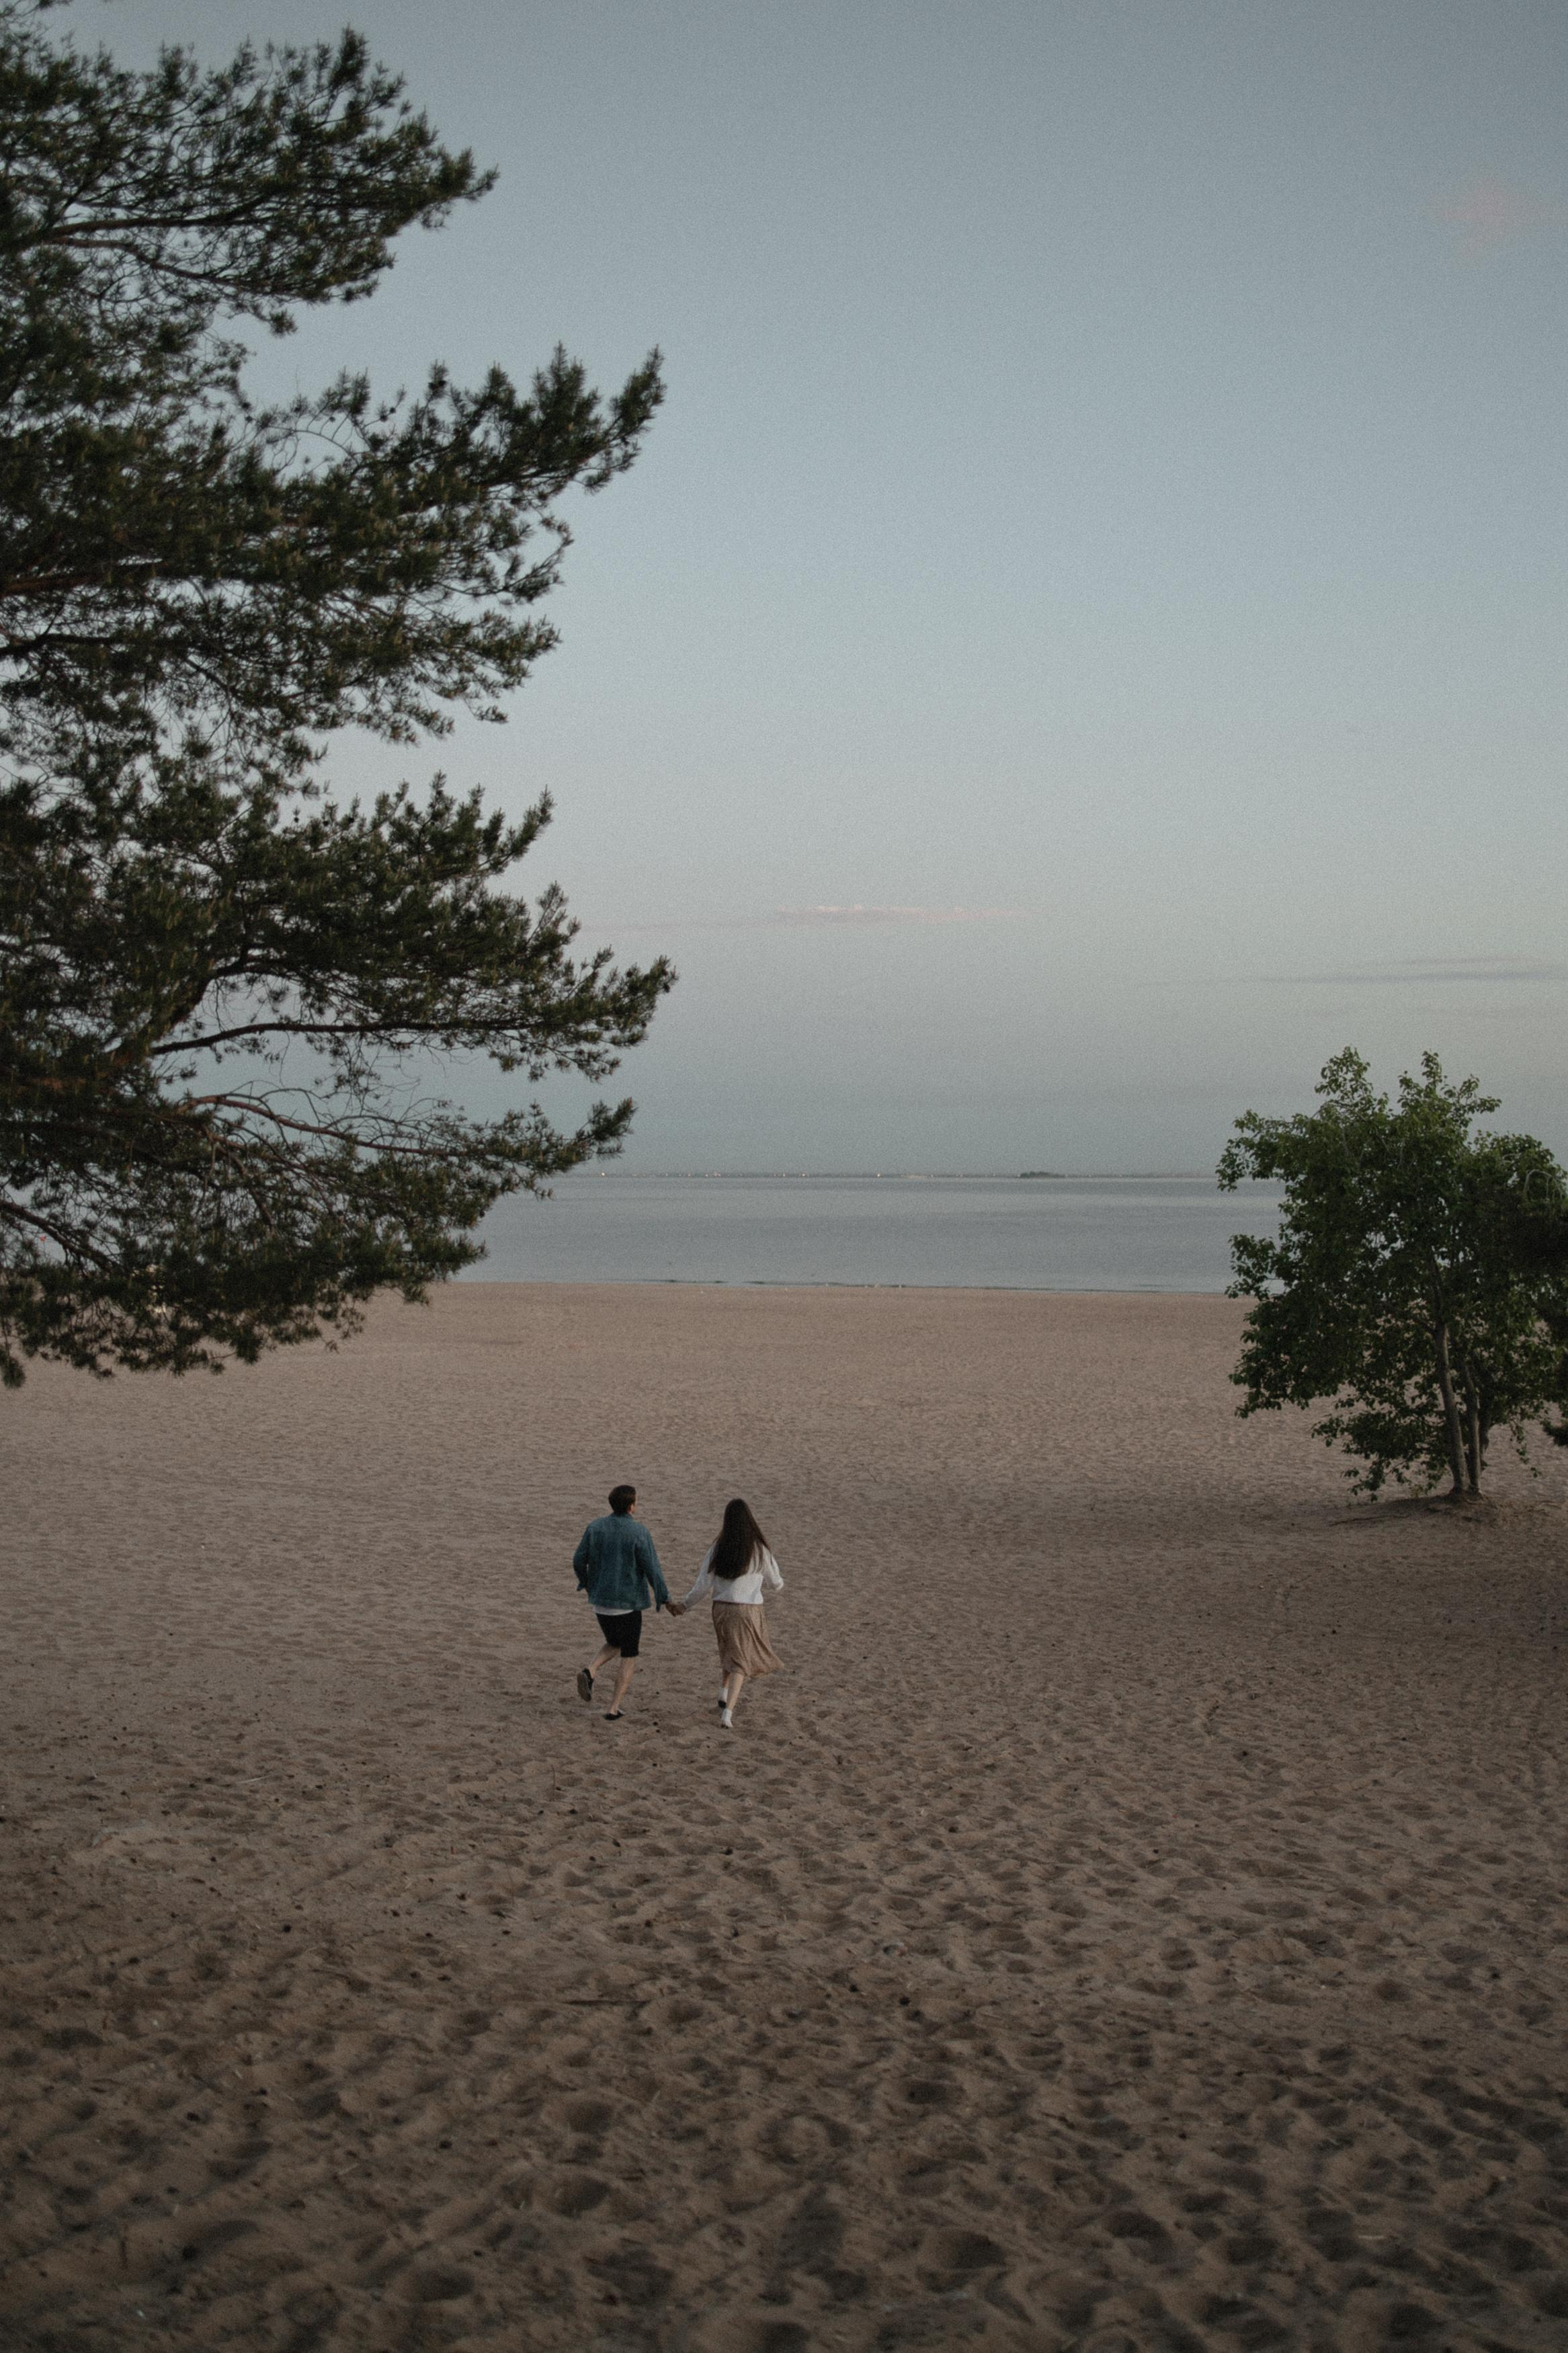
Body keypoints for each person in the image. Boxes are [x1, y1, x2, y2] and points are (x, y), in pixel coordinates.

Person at [573, 1484, 683, 1720]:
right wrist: (664, 1599)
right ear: (632, 1506)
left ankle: (590, 1670)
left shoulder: (595, 1527)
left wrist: (588, 1584)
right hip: (627, 1603)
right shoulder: (639, 1532)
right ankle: (613, 1708)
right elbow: (652, 1569)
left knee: (614, 1641)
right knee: (629, 1653)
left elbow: (578, 1560)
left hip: (600, 1603)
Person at [680, 1497, 783, 1730]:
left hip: (721, 1609)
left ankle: (723, 1693)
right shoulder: (759, 1548)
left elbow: (703, 1584)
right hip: (747, 1611)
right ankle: (728, 1713)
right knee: (740, 1662)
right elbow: (776, 1582)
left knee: (728, 1650)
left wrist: (685, 1605)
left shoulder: (719, 1546)